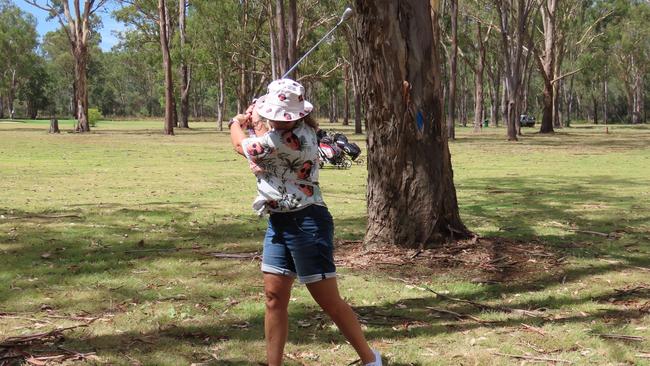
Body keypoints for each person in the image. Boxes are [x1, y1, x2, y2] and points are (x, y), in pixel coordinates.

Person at [229, 79, 382, 366]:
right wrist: (255, 118)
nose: (272, 119)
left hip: (307, 224)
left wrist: (236, 121)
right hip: (279, 222)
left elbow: (241, 145)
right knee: (274, 297)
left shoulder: (289, 140)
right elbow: (260, 137)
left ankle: (371, 359)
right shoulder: (287, 130)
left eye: (276, 115)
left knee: (329, 302)